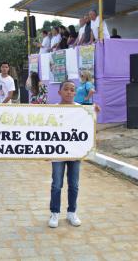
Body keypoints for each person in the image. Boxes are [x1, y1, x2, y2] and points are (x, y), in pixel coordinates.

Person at [49, 81, 82, 228]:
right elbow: (46, 131)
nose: (69, 92)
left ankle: (71, 212)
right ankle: (55, 213)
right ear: (59, 92)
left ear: (75, 93)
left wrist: (94, 112)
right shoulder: (52, 110)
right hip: (58, 153)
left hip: (75, 153)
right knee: (56, 184)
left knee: (73, 185)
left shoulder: (81, 110)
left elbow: (87, 128)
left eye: (72, 90)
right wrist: (46, 151)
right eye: (66, 89)